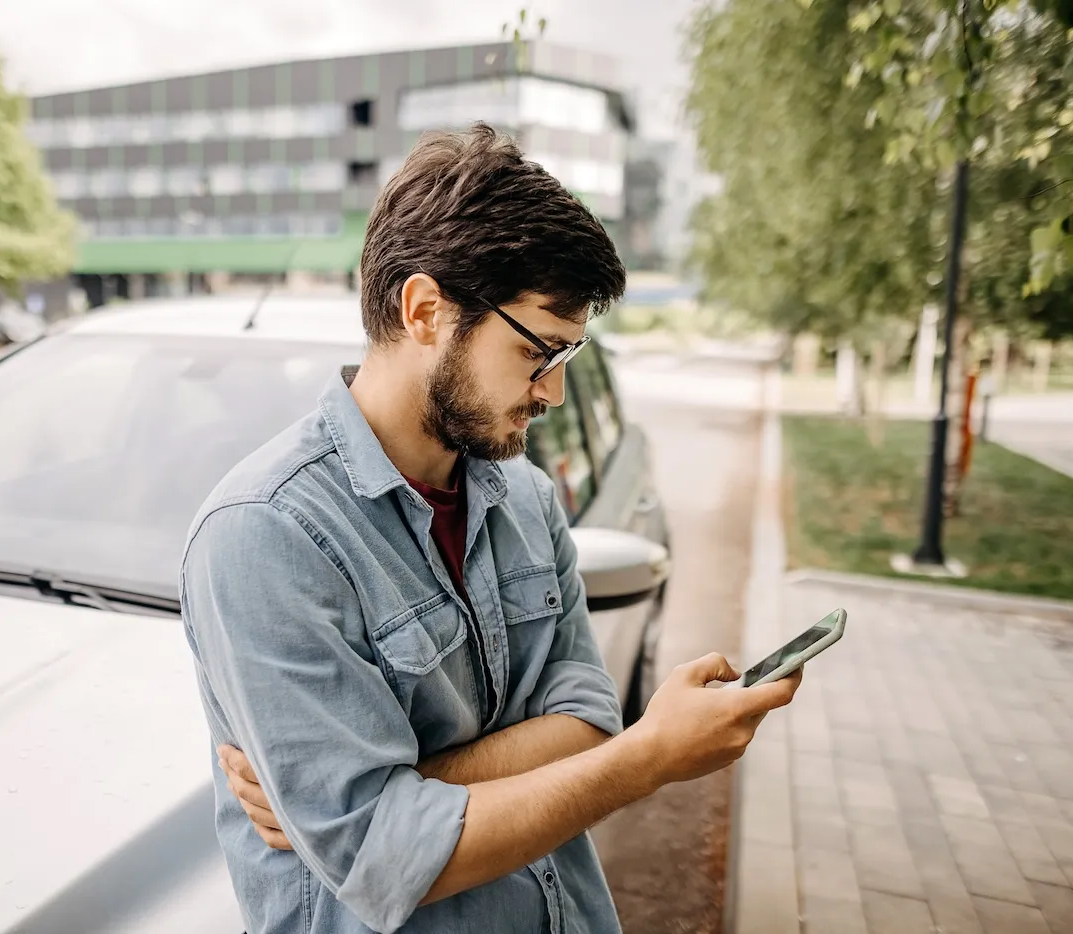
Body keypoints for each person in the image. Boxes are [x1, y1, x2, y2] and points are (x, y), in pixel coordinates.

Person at [180, 123, 800, 934]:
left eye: (569, 359)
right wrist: (644, 760)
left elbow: (587, 714)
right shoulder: (265, 535)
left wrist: (403, 791)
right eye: (540, 353)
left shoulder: (524, 495)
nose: (553, 395)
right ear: (426, 310)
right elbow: (382, 856)